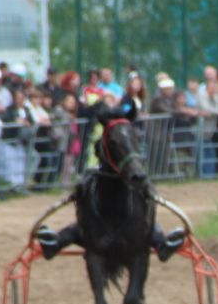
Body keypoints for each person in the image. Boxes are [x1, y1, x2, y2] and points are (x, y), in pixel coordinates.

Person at [32, 109, 187, 263]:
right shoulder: (104, 144)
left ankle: (160, 243)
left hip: (128, 204)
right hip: (99, 217)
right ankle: (55, 243)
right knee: (86, 217)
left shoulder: (128, 143)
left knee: (143, 204)